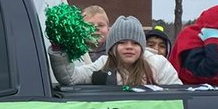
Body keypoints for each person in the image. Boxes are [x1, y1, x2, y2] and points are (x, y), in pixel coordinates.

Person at [53, 17, 181, 88]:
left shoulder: (158, 64)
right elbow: (71, 78)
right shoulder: (103, 64)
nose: (129, 47)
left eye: (135, 43)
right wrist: (59, 49)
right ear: (112, 47)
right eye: (122, 42)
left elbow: (178, 95)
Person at [49, 5, 110, 83]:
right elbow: (69, 76)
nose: (95, 28)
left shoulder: (114, 53)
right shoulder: (70, 52)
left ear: (108, 29)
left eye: (101, 25)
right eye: (89, 25)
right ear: (79, 29)